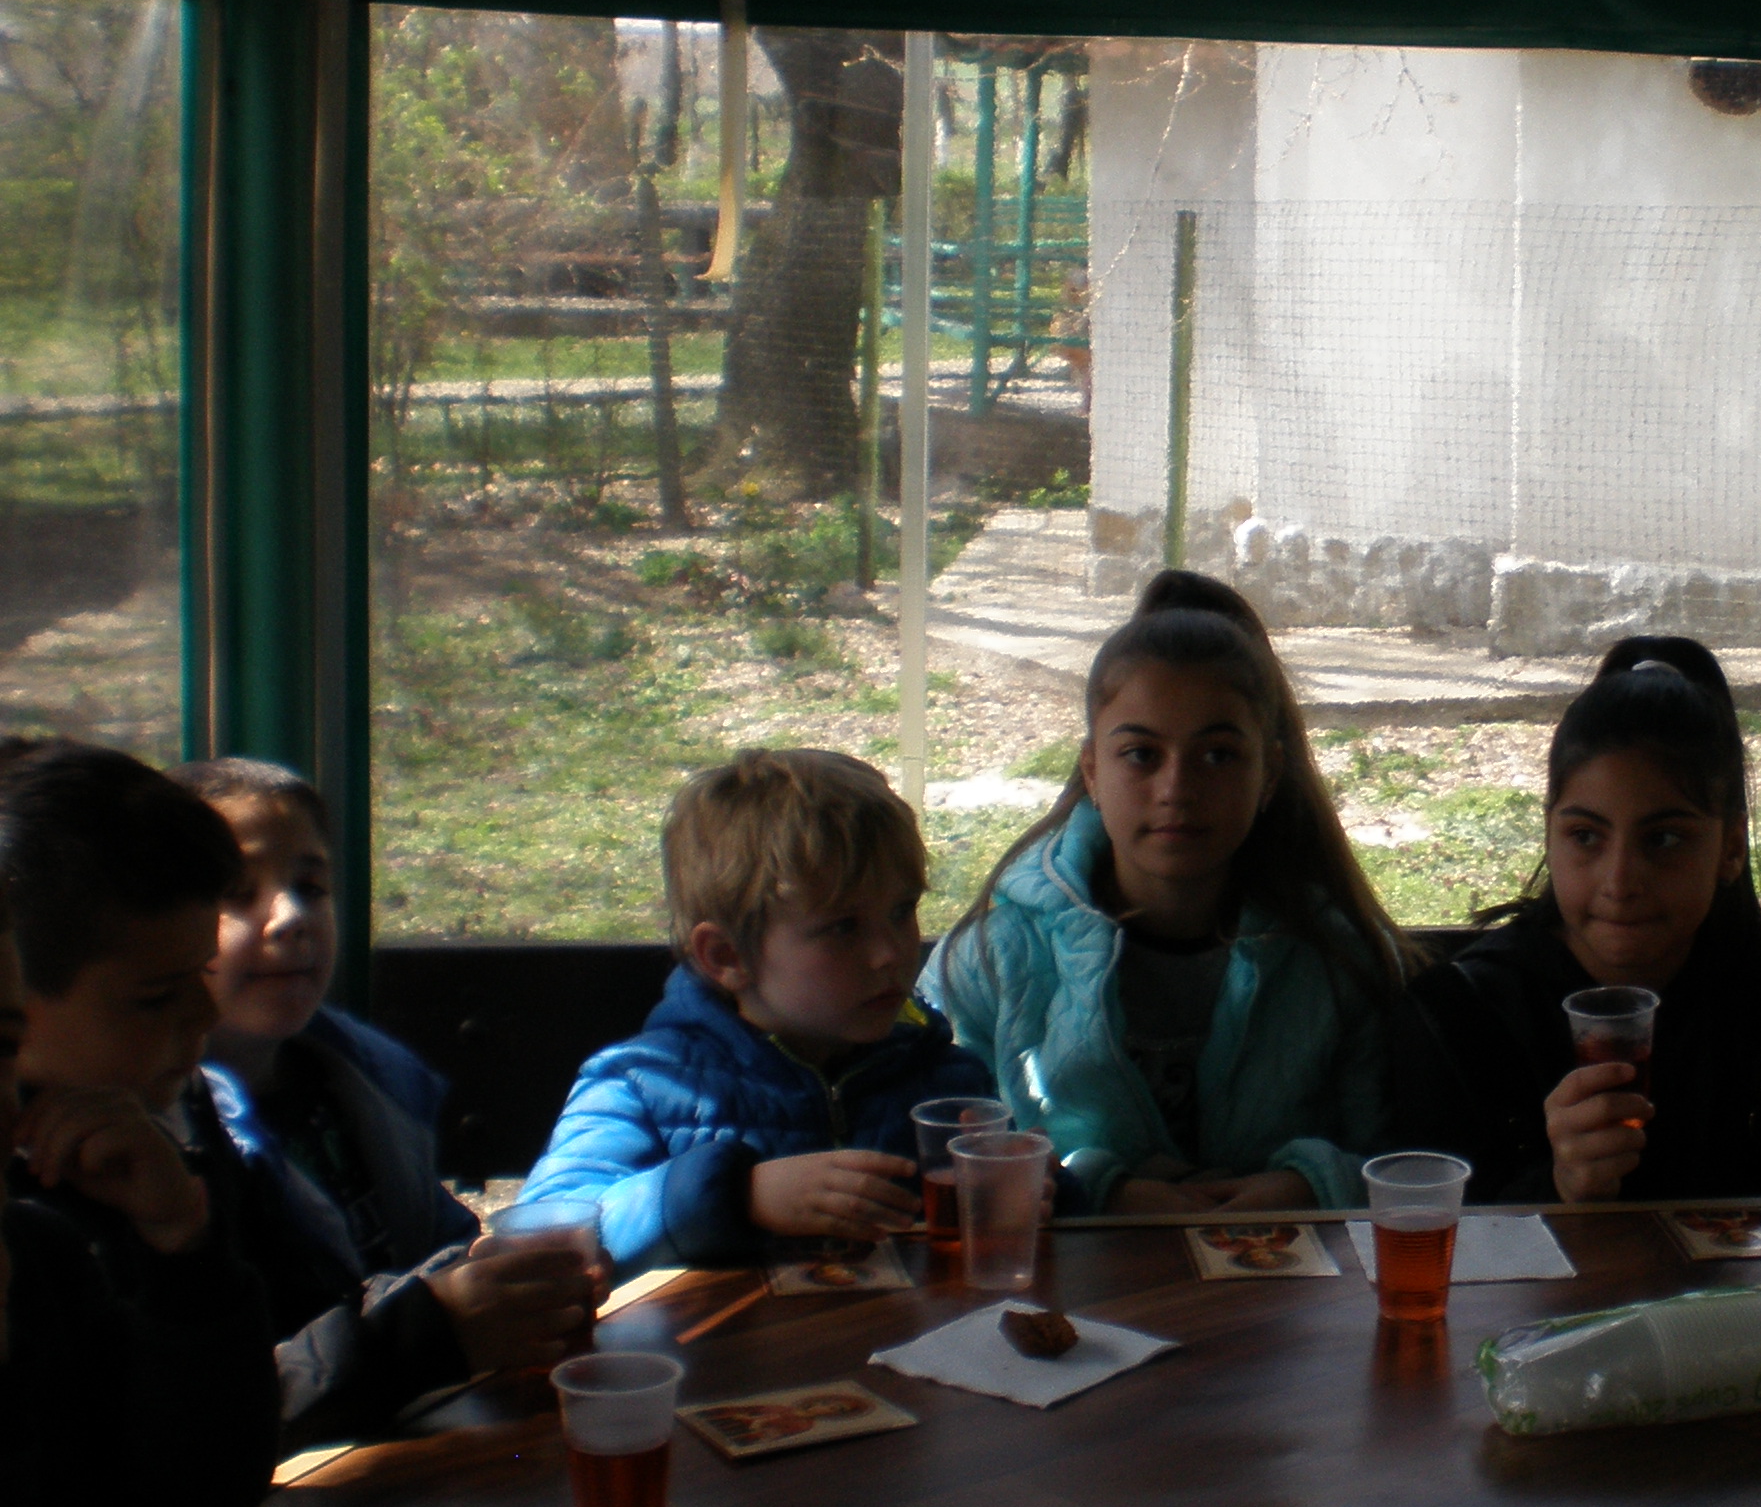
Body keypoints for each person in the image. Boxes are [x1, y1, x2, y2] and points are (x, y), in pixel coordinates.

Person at [921, 570, 1413, 1214]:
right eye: (1141, 754)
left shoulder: (1338, 959)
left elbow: (1401, 1154)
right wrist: (1097, 1193)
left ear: (1269, 776)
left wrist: (1310, 1185)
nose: (1177, 789)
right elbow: (937, 1146)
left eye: (1218, 756)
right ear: (1092, 770)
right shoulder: (990, 959)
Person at [178, 758, 589, 1442]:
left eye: (311, 887)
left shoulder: (360, 1087)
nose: (290, 917)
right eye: (238, 893)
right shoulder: (176, 1144)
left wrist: (500, 1275)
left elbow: (431, 1241)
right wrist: (433, 1327)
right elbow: (231, 1401)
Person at [1393, 637, 1761, 1203]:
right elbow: (1425, 1226)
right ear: (1549, 833)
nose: (1619, 882)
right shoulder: (1459, 1018)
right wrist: (1557, 1187)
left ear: (1731, 848)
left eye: (1664, 839)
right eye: (1586, 836)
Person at [523, 748, 995, 1270]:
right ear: (727, 957)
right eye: (843, 927)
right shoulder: (642, 1087)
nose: (890, 953)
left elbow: (1028, 1236)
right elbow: (546, 1236)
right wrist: (737, 1195)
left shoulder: (943, 1079)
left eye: (902, 911)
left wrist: (1030, 1193)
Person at [0, 744, 277, 1507]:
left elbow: (204, 1498)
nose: (206, 1015)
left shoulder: (146, 1151)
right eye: (156, 996)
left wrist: (182, 1242)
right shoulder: (34, 1233)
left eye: (203, 974)